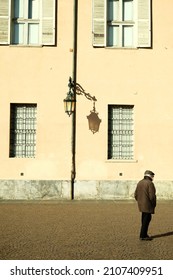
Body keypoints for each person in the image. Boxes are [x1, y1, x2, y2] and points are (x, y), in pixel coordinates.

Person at [134, 170, 156, 241]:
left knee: (144, 219)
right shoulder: (150, 183)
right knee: (146, 220)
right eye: (152, 176)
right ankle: (143, 235)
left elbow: (135, 194)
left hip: (141, 204)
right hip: (148, 204)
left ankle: (144, 234)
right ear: (150, 176)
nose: (153, 178)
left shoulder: (140, 182)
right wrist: (153, 204)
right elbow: (152, 196)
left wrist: (140, 201)